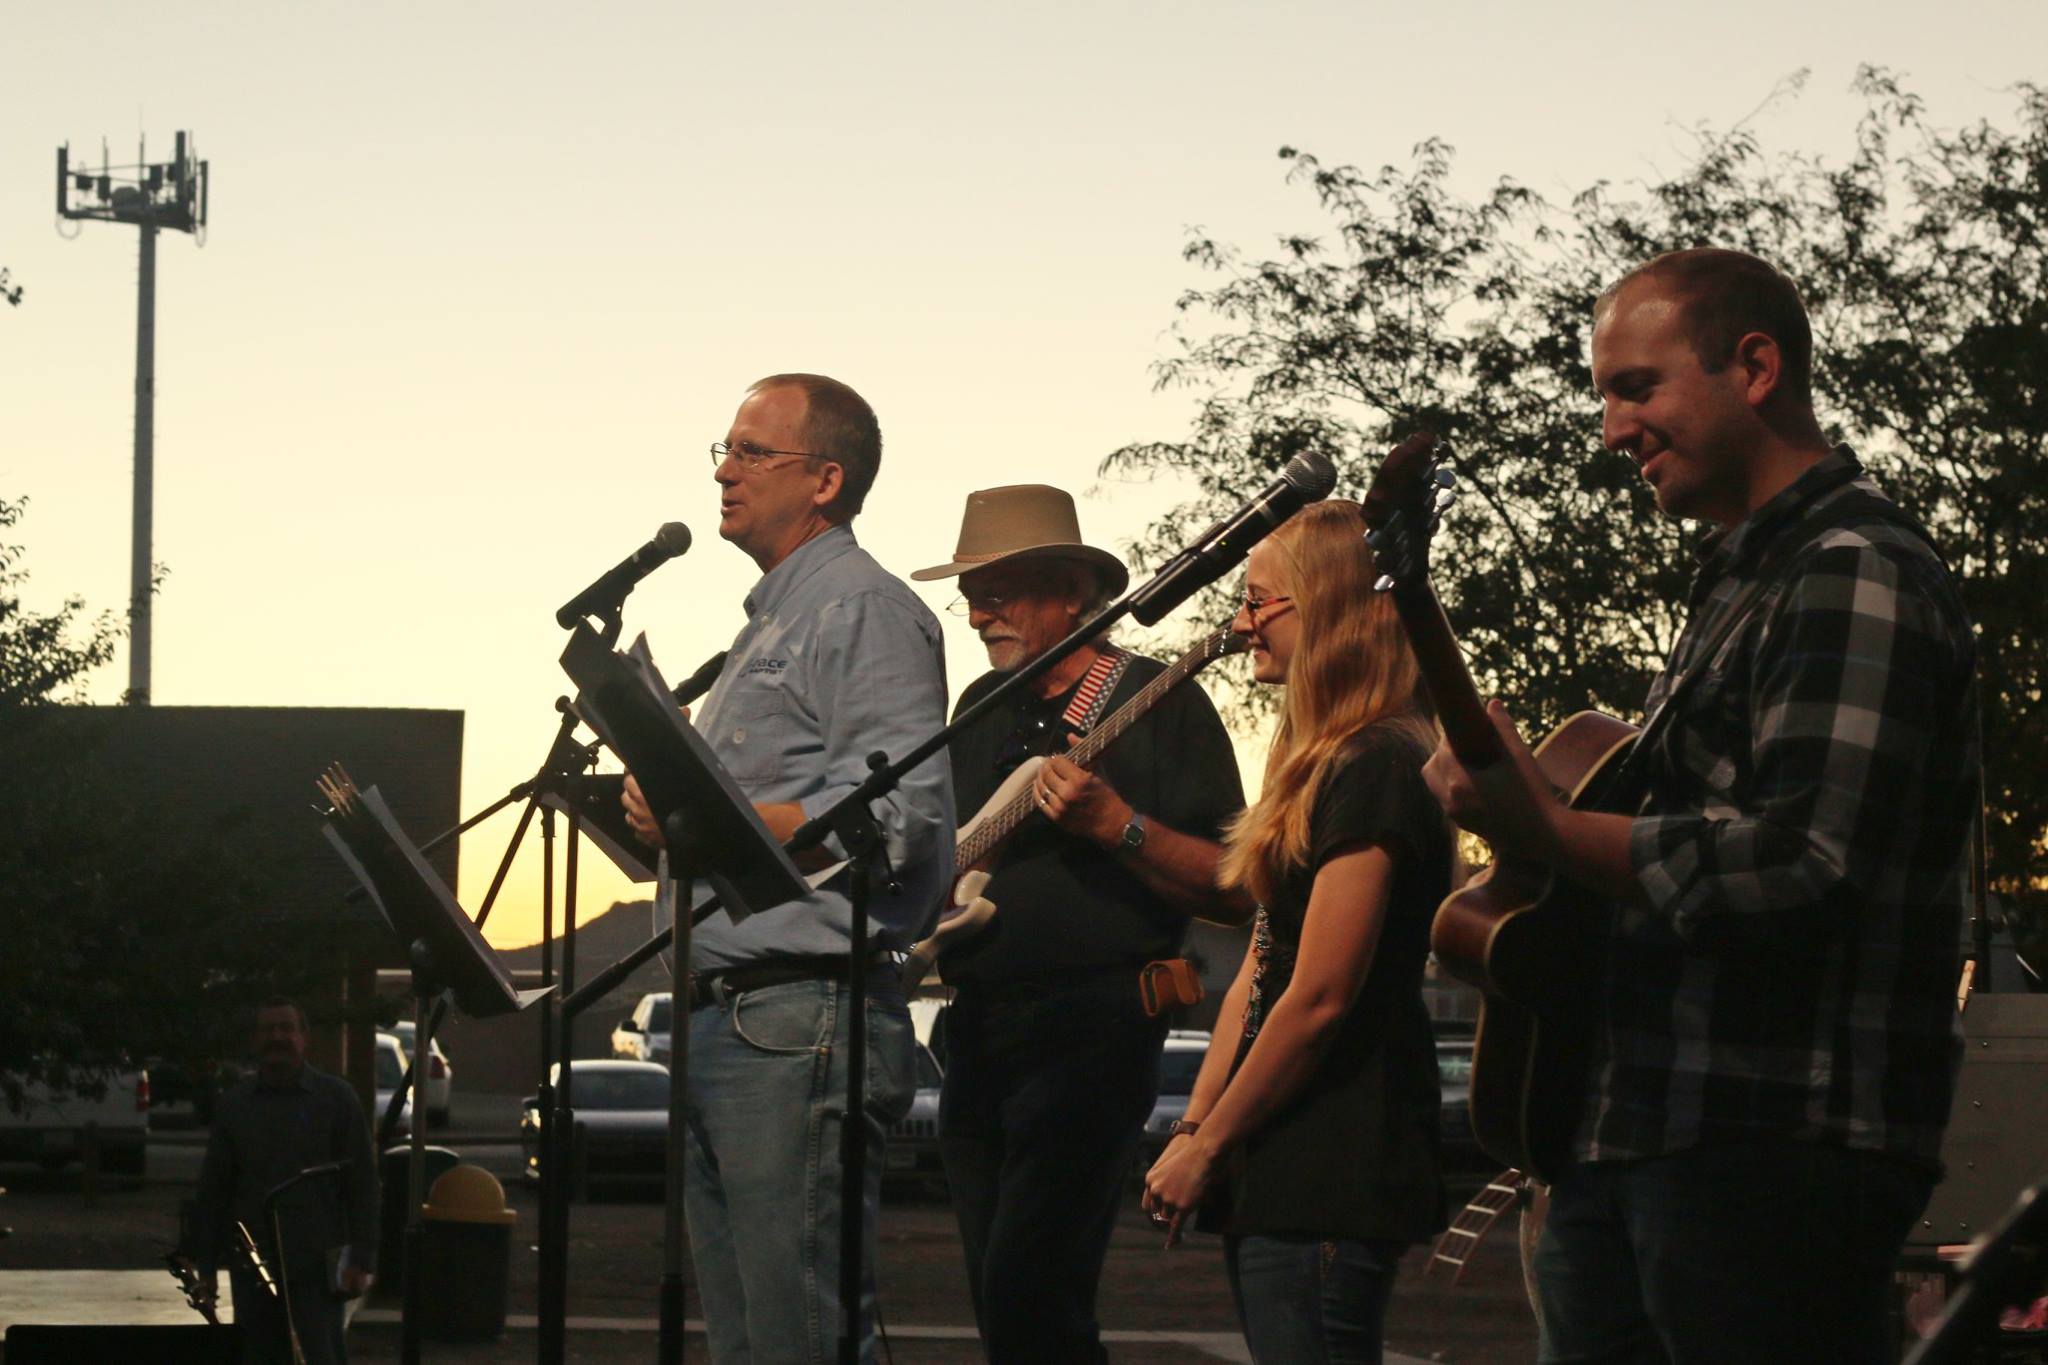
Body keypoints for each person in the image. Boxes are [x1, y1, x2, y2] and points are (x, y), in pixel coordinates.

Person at [1420, 248, 1980, 1363]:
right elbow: (1674, 827)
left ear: (1755, 367)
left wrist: (1540, 829)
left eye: (1636, 388)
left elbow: (1797, 867)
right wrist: (1526, 798)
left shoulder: (1848, 569)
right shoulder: (1739, 573)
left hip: (1770, 1146)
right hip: (1639, 1132)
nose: (1610, 431)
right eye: (1602, 397)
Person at [621, 373, 954, 1363]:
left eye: (751, 452)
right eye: (721, 450)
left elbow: (901, 820)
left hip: (795, 1016)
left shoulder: (863, 611)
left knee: (798, 1340)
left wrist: (710, 815)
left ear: (825, 479)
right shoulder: (761, 627)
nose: (725, 470)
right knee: (748, 1343)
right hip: (727, 1014)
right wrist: (662, 813)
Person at [908, 483, 1246, 1363]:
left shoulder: (1158, 697)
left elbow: (1236, 887)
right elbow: (945, 863)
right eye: (973, 591)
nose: (980, 610)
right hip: (977, 1033)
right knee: (1001, 1300)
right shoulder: (978, 707)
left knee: (1034, 1294)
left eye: (1003, 587)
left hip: (1094, 1032)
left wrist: (1118, 826)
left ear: (1070, 588)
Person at [1141, 499, 1453, 1365]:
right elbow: (1261, 965)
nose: (1241, 625)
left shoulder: (1382, 765)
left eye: (1258, 601)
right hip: (1282, 1157)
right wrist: (1195, 1128)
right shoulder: (1324, 763)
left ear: (1328, 610)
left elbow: (1318, 997)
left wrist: (1208, 1143)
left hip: (1336, 1160)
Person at [189, 996, 378, 1365]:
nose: (278, 1037)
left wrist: (363, 1256)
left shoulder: (337, 1100)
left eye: (286, 1028)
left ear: (303, 1036)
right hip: (253, 1271)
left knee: (318, 1356)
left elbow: (363, 1184)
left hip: (318, 1269)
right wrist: (206, 1267)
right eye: (268, 1029)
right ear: (254, 1040)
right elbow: (214, 1191)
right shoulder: (235, 1105)